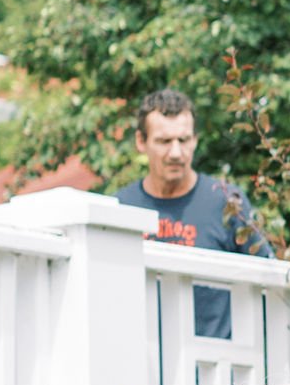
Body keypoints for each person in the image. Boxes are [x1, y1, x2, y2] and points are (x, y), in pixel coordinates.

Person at [112, 88, 272, 342]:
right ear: (141, 142)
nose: (176, 153)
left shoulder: (227, 203)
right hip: (140, 365)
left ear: (195, 140)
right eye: (164, 141)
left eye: (183, 140)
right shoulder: (119, 208)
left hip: (215, 368)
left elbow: (269, 280)